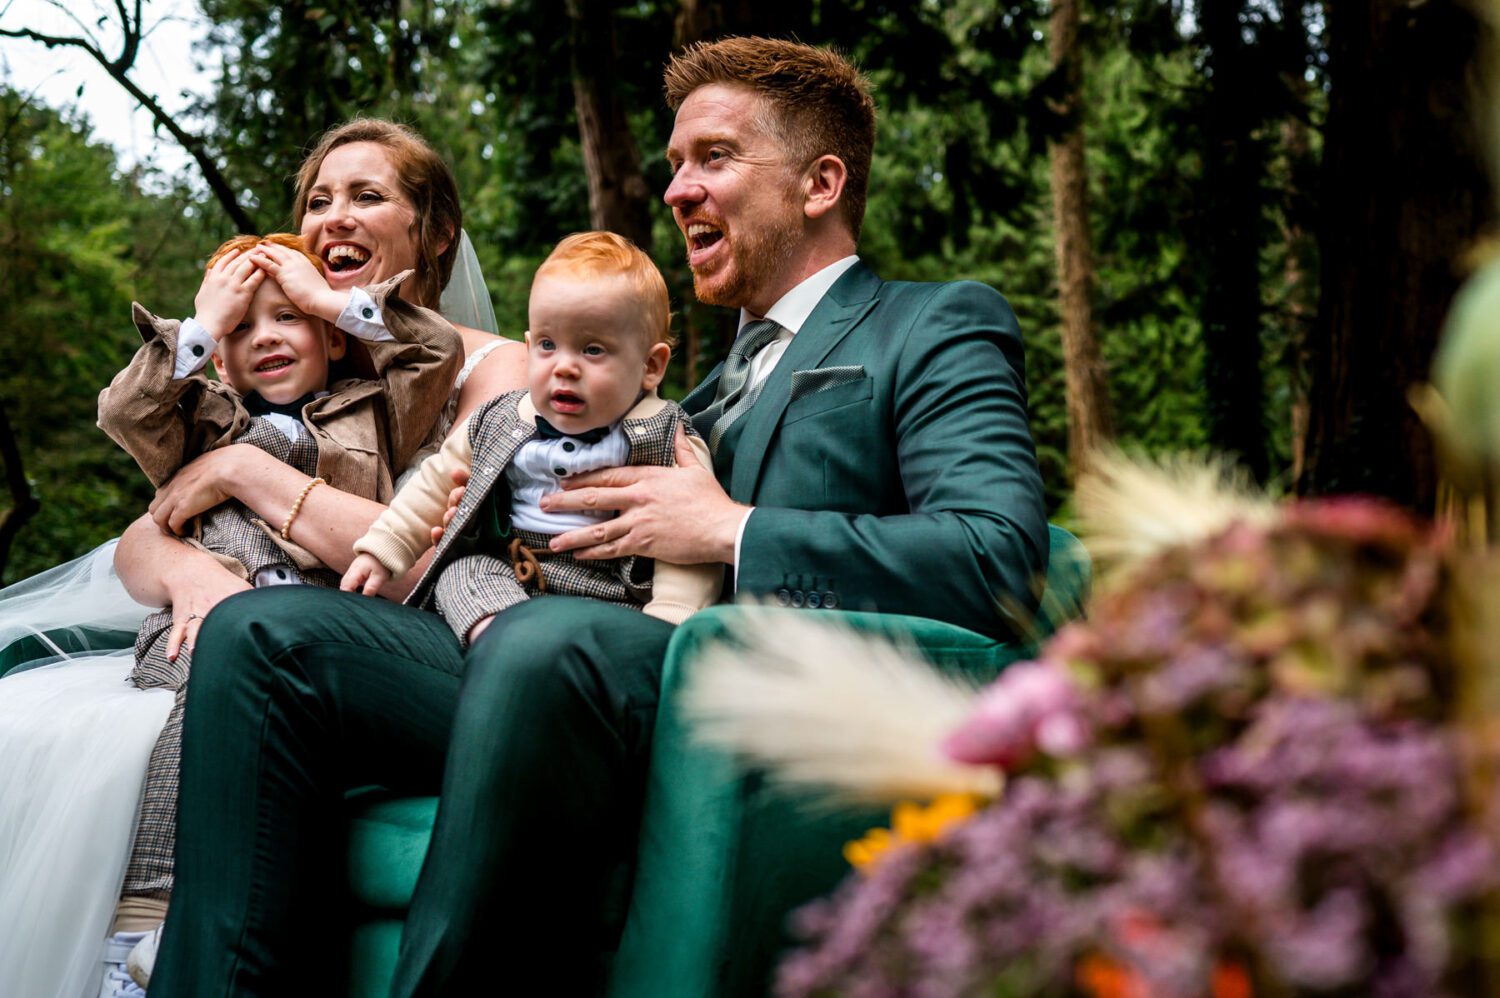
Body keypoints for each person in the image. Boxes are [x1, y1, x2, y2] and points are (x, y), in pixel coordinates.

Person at [152, 37, 1048, 996]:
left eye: (714, 158)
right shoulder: (671, 400)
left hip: (721, 680)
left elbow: (998, 558)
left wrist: (728, 529)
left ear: (820, 183)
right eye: (673, 166)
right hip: (547, 659)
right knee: (263, 636)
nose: (676, 190)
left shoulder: (934, 323)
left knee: (544, 642)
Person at [0, 118, 526, 998]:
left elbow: (436, 553)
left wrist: (244, 469)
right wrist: (191, 572)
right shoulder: (262, 387)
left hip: (379, 636)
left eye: (366, 196)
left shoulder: (462, 371)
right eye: (318, 201)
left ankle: (160, 934)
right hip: (226, 625)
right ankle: (127, 949)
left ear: (436, 230)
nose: (333, 217)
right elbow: (148, 526)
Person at [345, 230, 722, 642]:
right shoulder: (502, 417)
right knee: (462, 572)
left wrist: (671, 616)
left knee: (635, 627)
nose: (564, 367)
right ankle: (498, 639)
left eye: (592, 350)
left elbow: (690, 540)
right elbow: (433, 485)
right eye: (547, 345)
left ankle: (568, 652)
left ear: (651, 366)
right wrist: (385, 546)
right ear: (527, 348)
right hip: (515, 576)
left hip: (614, 594)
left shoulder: (666, 439)